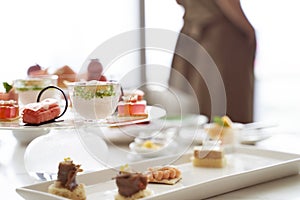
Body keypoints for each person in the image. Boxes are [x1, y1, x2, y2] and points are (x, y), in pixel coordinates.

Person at [169, 0, 256, 123]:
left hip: (191, 33)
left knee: (193, 110)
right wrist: (248, 29)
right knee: (225, 113)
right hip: (220, 37)